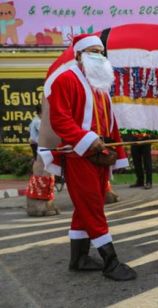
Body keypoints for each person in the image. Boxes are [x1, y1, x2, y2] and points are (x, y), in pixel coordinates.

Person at [44, 34, 137, 281]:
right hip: (77, 155)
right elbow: (60, 120)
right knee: (93, 208)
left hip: (99, 154)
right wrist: (87, 139)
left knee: (85, 207)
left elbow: (110, 121)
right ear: (78, 55)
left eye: (100, 51)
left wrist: (115, 151)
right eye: (92, 51)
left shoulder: (99, 84)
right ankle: (110, 261)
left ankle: (79, 258)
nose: (98, 55)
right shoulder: (65, 79)